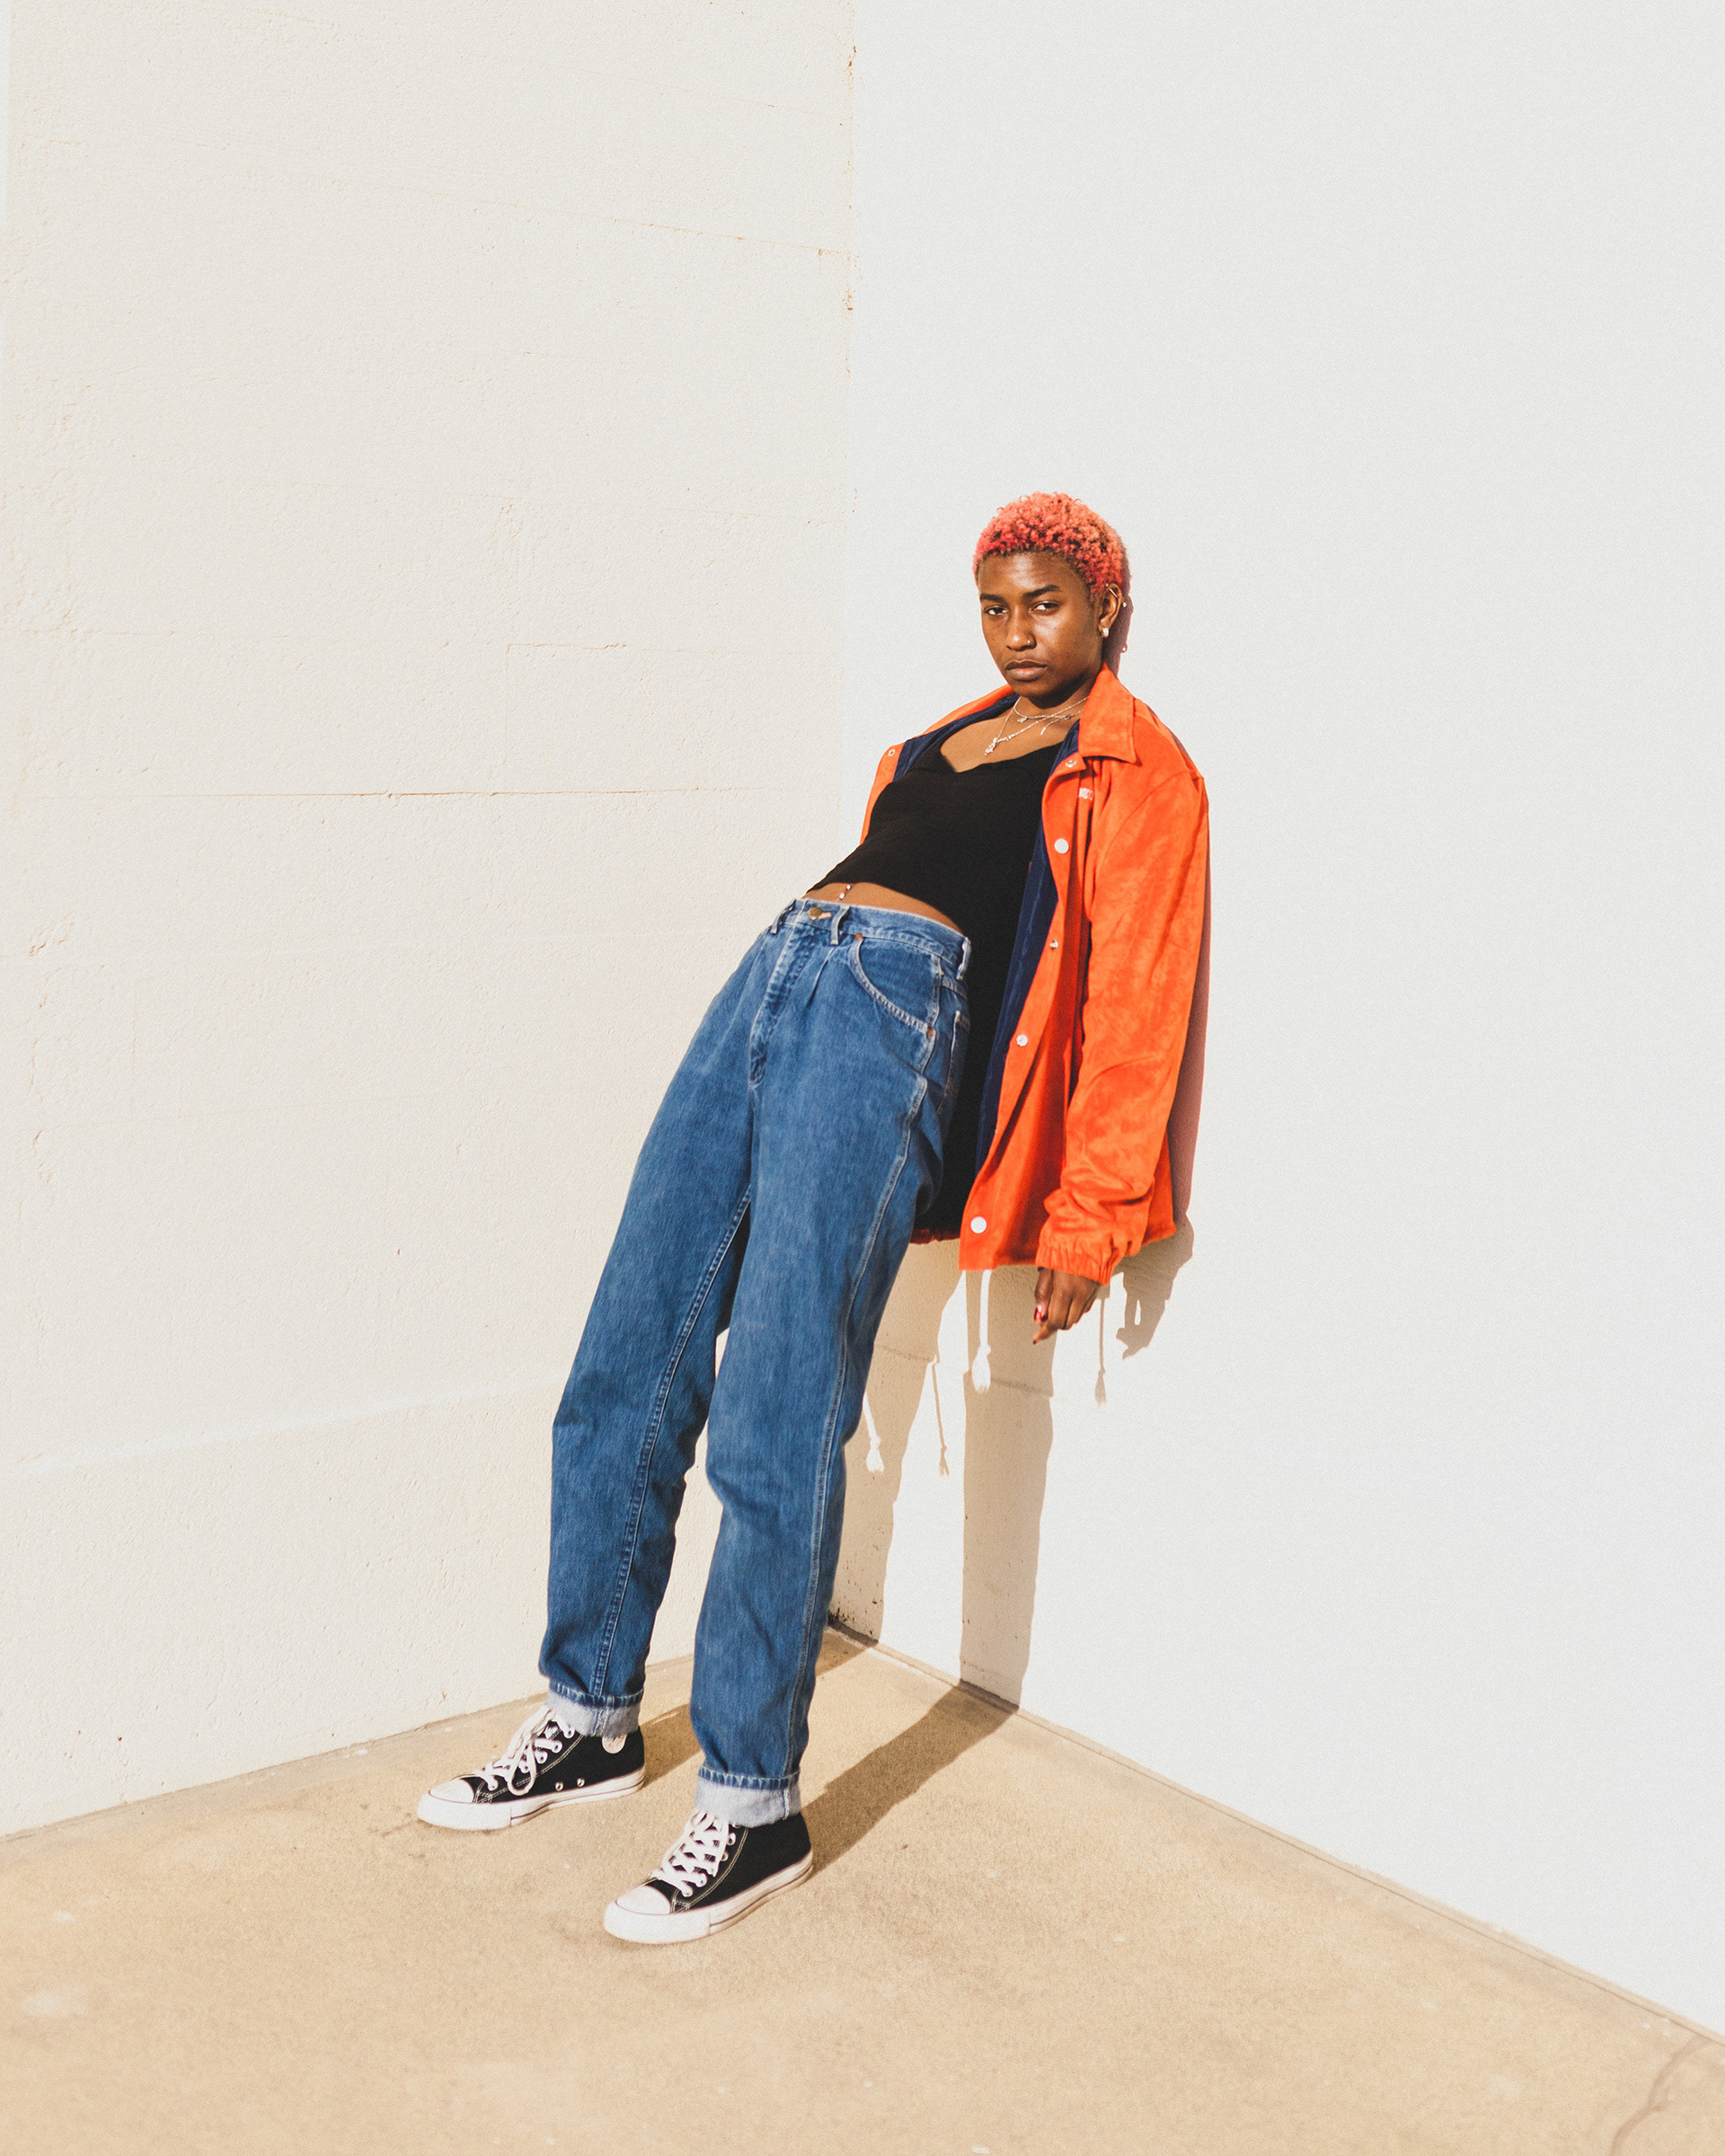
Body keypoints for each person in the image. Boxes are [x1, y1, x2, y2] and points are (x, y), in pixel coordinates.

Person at [416, 491, 1210, 1945]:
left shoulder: (1137, 768)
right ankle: (590, 1713)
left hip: (890, 1006)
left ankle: (751, 1803)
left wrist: (1094, 1210)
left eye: (1044, 604)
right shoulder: (933, 744)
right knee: (630, 1350)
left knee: (780, 1397)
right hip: (781, 966)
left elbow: (1137, 990)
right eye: (993, 606)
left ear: (1108, 608)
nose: (1016, 632)